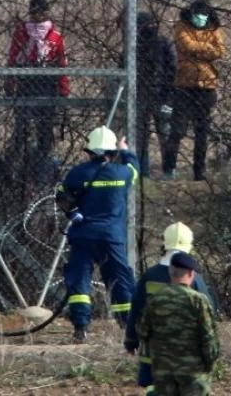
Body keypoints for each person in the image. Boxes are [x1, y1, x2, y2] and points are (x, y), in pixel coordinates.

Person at [56, 126, 138, 343]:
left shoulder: (78, 173)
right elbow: (135, 169)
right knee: (120, 280)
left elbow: (62, 197)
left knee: (79, 280)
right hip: (112, 237)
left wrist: (73, 213)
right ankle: (127, 326)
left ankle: (80, 327)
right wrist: (126, 150)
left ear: (90, 151)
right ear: (112, 152)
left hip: (83, 235)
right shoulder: (123, 173)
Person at [126, 222, 217, 396]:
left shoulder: (149, 276)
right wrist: (210, 358)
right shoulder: (195, 280)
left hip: (156, 359)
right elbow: (209, 321)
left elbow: (137, 311)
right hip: (189, 363)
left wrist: (131, 341)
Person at [161, 0, 225, 182]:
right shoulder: (182, 26)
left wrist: (197, 51)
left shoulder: (214, 28)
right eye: (198, 15)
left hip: (207, 86)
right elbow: (186, 45)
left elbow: (220, 51)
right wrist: (207, 48)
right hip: (184, 85)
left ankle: (199, 171)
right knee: (177, 130)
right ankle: (169, 168)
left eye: (204, 15)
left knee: (202, 132)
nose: (200, 18)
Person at [6, 0, 69, 175]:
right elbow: (13, 58)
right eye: (35, 12)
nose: (38, 16)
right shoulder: (21, 33)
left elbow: (61, 63)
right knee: (22, 126)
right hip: (26, 82)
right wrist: (11, 81)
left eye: (41, 12)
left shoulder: (55, 36)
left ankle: (42, 166)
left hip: (47, 84)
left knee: (45, 129)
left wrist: (64, 89)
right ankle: (18, 165)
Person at [133, 11, 175, 177]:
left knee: (164, 132)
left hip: (161, 94)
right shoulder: (135, 45)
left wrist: (169, 95)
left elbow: (172, 69)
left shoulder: (162, 44)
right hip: (141, 94)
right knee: (141, 135)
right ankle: (142, 171)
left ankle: (169, 169)